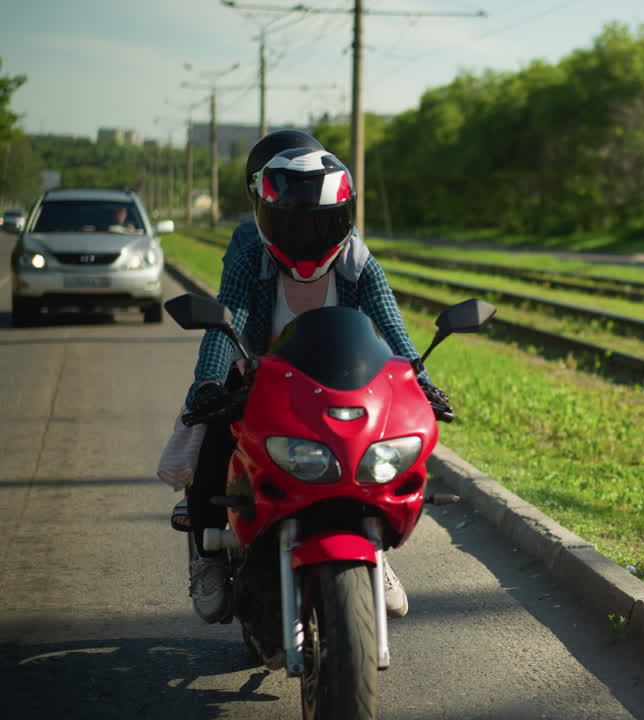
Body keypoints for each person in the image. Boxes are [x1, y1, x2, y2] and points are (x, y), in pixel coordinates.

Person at [159, 129, 451, 624]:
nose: (309, 238)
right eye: (293, 225)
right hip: (262, 376)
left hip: (337, 378)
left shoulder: (358, 259)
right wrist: (209, 383)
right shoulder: (250, 251)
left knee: (375, 447)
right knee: (216, 438)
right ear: (265, 216)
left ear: (344, 218)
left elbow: (391, 324)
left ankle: (373, 548)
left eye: (324, 224)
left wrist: (420, 382)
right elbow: (231, 319)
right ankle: (208, 553)